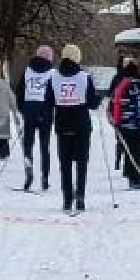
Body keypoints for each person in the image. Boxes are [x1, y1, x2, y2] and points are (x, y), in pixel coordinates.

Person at [51, 44, 97, 213]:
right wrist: (96, 100)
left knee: (65, 164)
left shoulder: (54, 77)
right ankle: (80, 198)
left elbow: (49, 100)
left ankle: (67, 199)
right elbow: (92, 103)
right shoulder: (84, 77)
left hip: (62, 124)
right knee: (81, 163)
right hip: (81, 125)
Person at [110, 55, 140, 191]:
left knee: (129, 151)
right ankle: (134, 176)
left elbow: (116, 103)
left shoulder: (122, 85)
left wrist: (115, 121)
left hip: (126, 124)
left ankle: (134, 177)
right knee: (137, 150)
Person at [16, 46, 58, 193]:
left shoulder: (27, 71)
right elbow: (55, 94)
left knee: (28, 145)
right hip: (45, 111)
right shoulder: (53, 73)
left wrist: (23, 109)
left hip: (30, 109)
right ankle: (45, 177)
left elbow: (19, 91)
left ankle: (28, 174)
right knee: (44, 146)